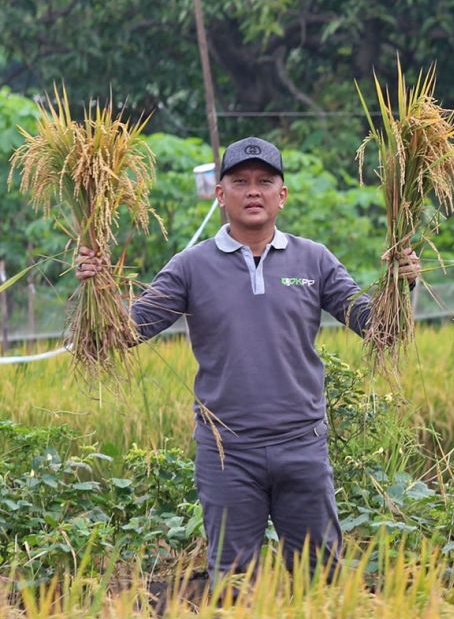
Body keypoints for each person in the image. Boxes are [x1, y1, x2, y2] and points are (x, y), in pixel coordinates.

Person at [76, 136, 420, 577]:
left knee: (323, 578)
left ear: (282, 195)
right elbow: (122, 333)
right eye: (239, 181)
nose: (252, 191)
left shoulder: (314, 260)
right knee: (234, 584)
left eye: (264, 181)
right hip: (227, 452)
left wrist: (400, 284)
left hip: (302, 444)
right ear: (220, 195)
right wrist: (96, 287)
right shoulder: (190, 267)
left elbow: (381, 331)